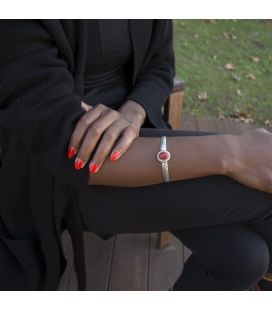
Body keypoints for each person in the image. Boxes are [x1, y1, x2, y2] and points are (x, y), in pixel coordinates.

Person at [0, 19, 271, 291]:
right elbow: (60, 143)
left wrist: (132, 113)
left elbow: (160, 65)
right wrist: (232, 153)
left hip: (139, 134)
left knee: (243, 260)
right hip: (56, 169)